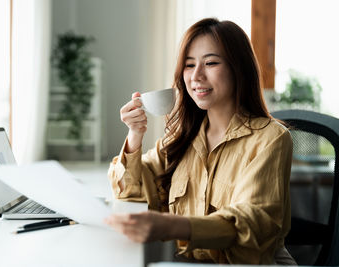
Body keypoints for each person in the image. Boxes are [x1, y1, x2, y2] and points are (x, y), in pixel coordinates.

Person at [105, 18, 296, 265]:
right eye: (189, 65)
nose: (196, 76)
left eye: (211, 63)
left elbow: (251, 223)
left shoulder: (271, 139)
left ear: (239, 68)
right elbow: (131, 191)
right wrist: (135, 133)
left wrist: (172, 226)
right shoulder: (182, 137)